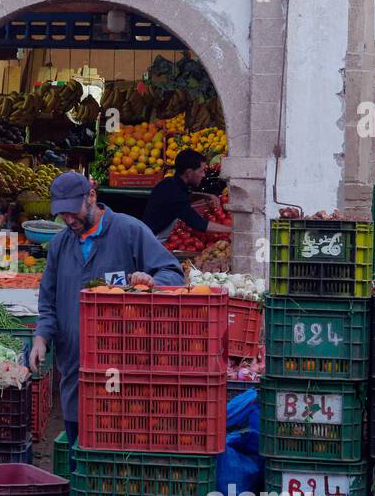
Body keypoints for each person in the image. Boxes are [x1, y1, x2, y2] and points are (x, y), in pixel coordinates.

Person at [30, 172, 184, 449]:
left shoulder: (129, 231)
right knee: (80, 447)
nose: (68, 219)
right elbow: (48, 302)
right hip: (75, 371)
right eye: (61, 213)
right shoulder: (59, 245)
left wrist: (153, 282)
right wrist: (41, 337)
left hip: (124, 368)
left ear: (91, 196)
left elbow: (173, 272)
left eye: (72, 211)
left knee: (118, 443)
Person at [142, 149, 232, 242]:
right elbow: (199, 224)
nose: (204, 175)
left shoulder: (169, 182)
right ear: (189, 173)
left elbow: (188, 195)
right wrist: (232, 230)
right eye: (201, 171)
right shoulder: (175, 194)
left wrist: (207, 196)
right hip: (154, 240)